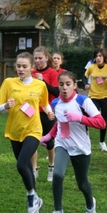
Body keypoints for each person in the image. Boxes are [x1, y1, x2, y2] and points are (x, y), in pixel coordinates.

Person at [0, 52, 55, 213]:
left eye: (24, 66)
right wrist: (5, 105)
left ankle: (31, 198)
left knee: (21, 164)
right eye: (18, 66)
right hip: (14, 131)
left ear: (31, 68)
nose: (20, 69)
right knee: (26, 166)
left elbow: (44, 103)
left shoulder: (39, 85)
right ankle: (36, 201)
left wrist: (49, 113)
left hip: (34, 130)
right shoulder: (8, 83)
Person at [41, 71, 106, 213]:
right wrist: (49, 136)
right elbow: (60, 124)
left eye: (68, 84)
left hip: (81, 148)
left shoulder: (83, 101)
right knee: (57, 175)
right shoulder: (55, 103)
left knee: (82, 183)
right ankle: (58, 212)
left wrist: (80, 118)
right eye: (61, 84)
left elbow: (101, 123)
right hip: (62, 144)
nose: (64, 88)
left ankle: (90, 205)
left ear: (74, 85)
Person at [31, 46, 59, 181]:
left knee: (49, 142)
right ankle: (34, 169)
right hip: (32, 112)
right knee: (32, 141)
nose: (38, 61)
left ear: (46, 58)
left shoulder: (53, 73)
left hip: (48, 112)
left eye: (40, 58)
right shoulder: (31, 72)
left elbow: (56, 92)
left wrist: (43, 82)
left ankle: (51, 167)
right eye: (35, 58)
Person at [84, 49, 107, 152]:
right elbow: (85, 76)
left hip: (106, 96)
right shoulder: (92, 67)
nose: (98, 58)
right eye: (96, 56)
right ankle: (85, 140)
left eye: (100, 56)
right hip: (94, 96)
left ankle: (102, 142)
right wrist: (86, 84)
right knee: (88, 118)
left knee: (103, 120)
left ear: (104, 58)